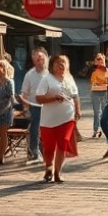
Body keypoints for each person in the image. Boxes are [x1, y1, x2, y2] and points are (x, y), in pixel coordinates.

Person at [36, 55, 80, 183]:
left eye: (63, 63)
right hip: (48, 120)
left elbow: (75, 95)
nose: (61, 65)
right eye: (58, 63)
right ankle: (48, 167)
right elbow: (39, 98)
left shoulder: (69, 79)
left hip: (67, 117)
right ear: (52, 65)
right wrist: (53, 98)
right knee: (49, 147)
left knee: (63, 142)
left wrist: (77, 110)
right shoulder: (46, 79)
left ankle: (57, 172)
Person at [20, 47, 49, 162]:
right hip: (34, 106)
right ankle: (35, 151)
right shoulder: (29, 75)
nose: (39, 60)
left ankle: (42, 151)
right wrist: (25, 107)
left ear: (45, 59)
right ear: (33, 60)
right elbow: (24, 92)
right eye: (37, 59)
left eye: (41, 58)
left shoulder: (49, 73)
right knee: (35, 128)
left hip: (48, 106)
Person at [0, 59, 16, 165]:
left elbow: (11, 97)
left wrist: (5, 106)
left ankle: (1, 156)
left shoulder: (9, 81)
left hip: (5, 109)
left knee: (2, 132)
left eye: (1, 67)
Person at [89, 53, 108, 138]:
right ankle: (96, 129)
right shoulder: (94, 72)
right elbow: (94, 83)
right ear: (95, 62)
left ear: (104, 60)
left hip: (105, 93)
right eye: (98, 60)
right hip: (96, 93)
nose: (100, 61)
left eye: (102, 59)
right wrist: (104, 84)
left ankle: (103, 129)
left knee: (105, 112)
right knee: (97, 112)